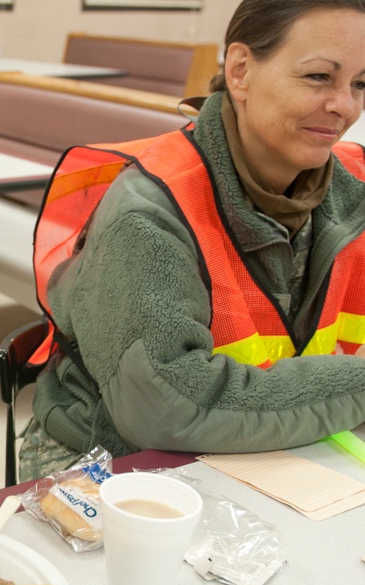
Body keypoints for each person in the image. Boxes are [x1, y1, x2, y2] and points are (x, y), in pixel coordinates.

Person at [19, 0, 365, 482]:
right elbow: (165, 408)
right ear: (241, 71)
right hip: (111, 459)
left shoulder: (355, 186)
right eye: (318, 78)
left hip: (278, 445)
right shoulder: (151, 209)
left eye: (360, 83)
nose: (344, 106)